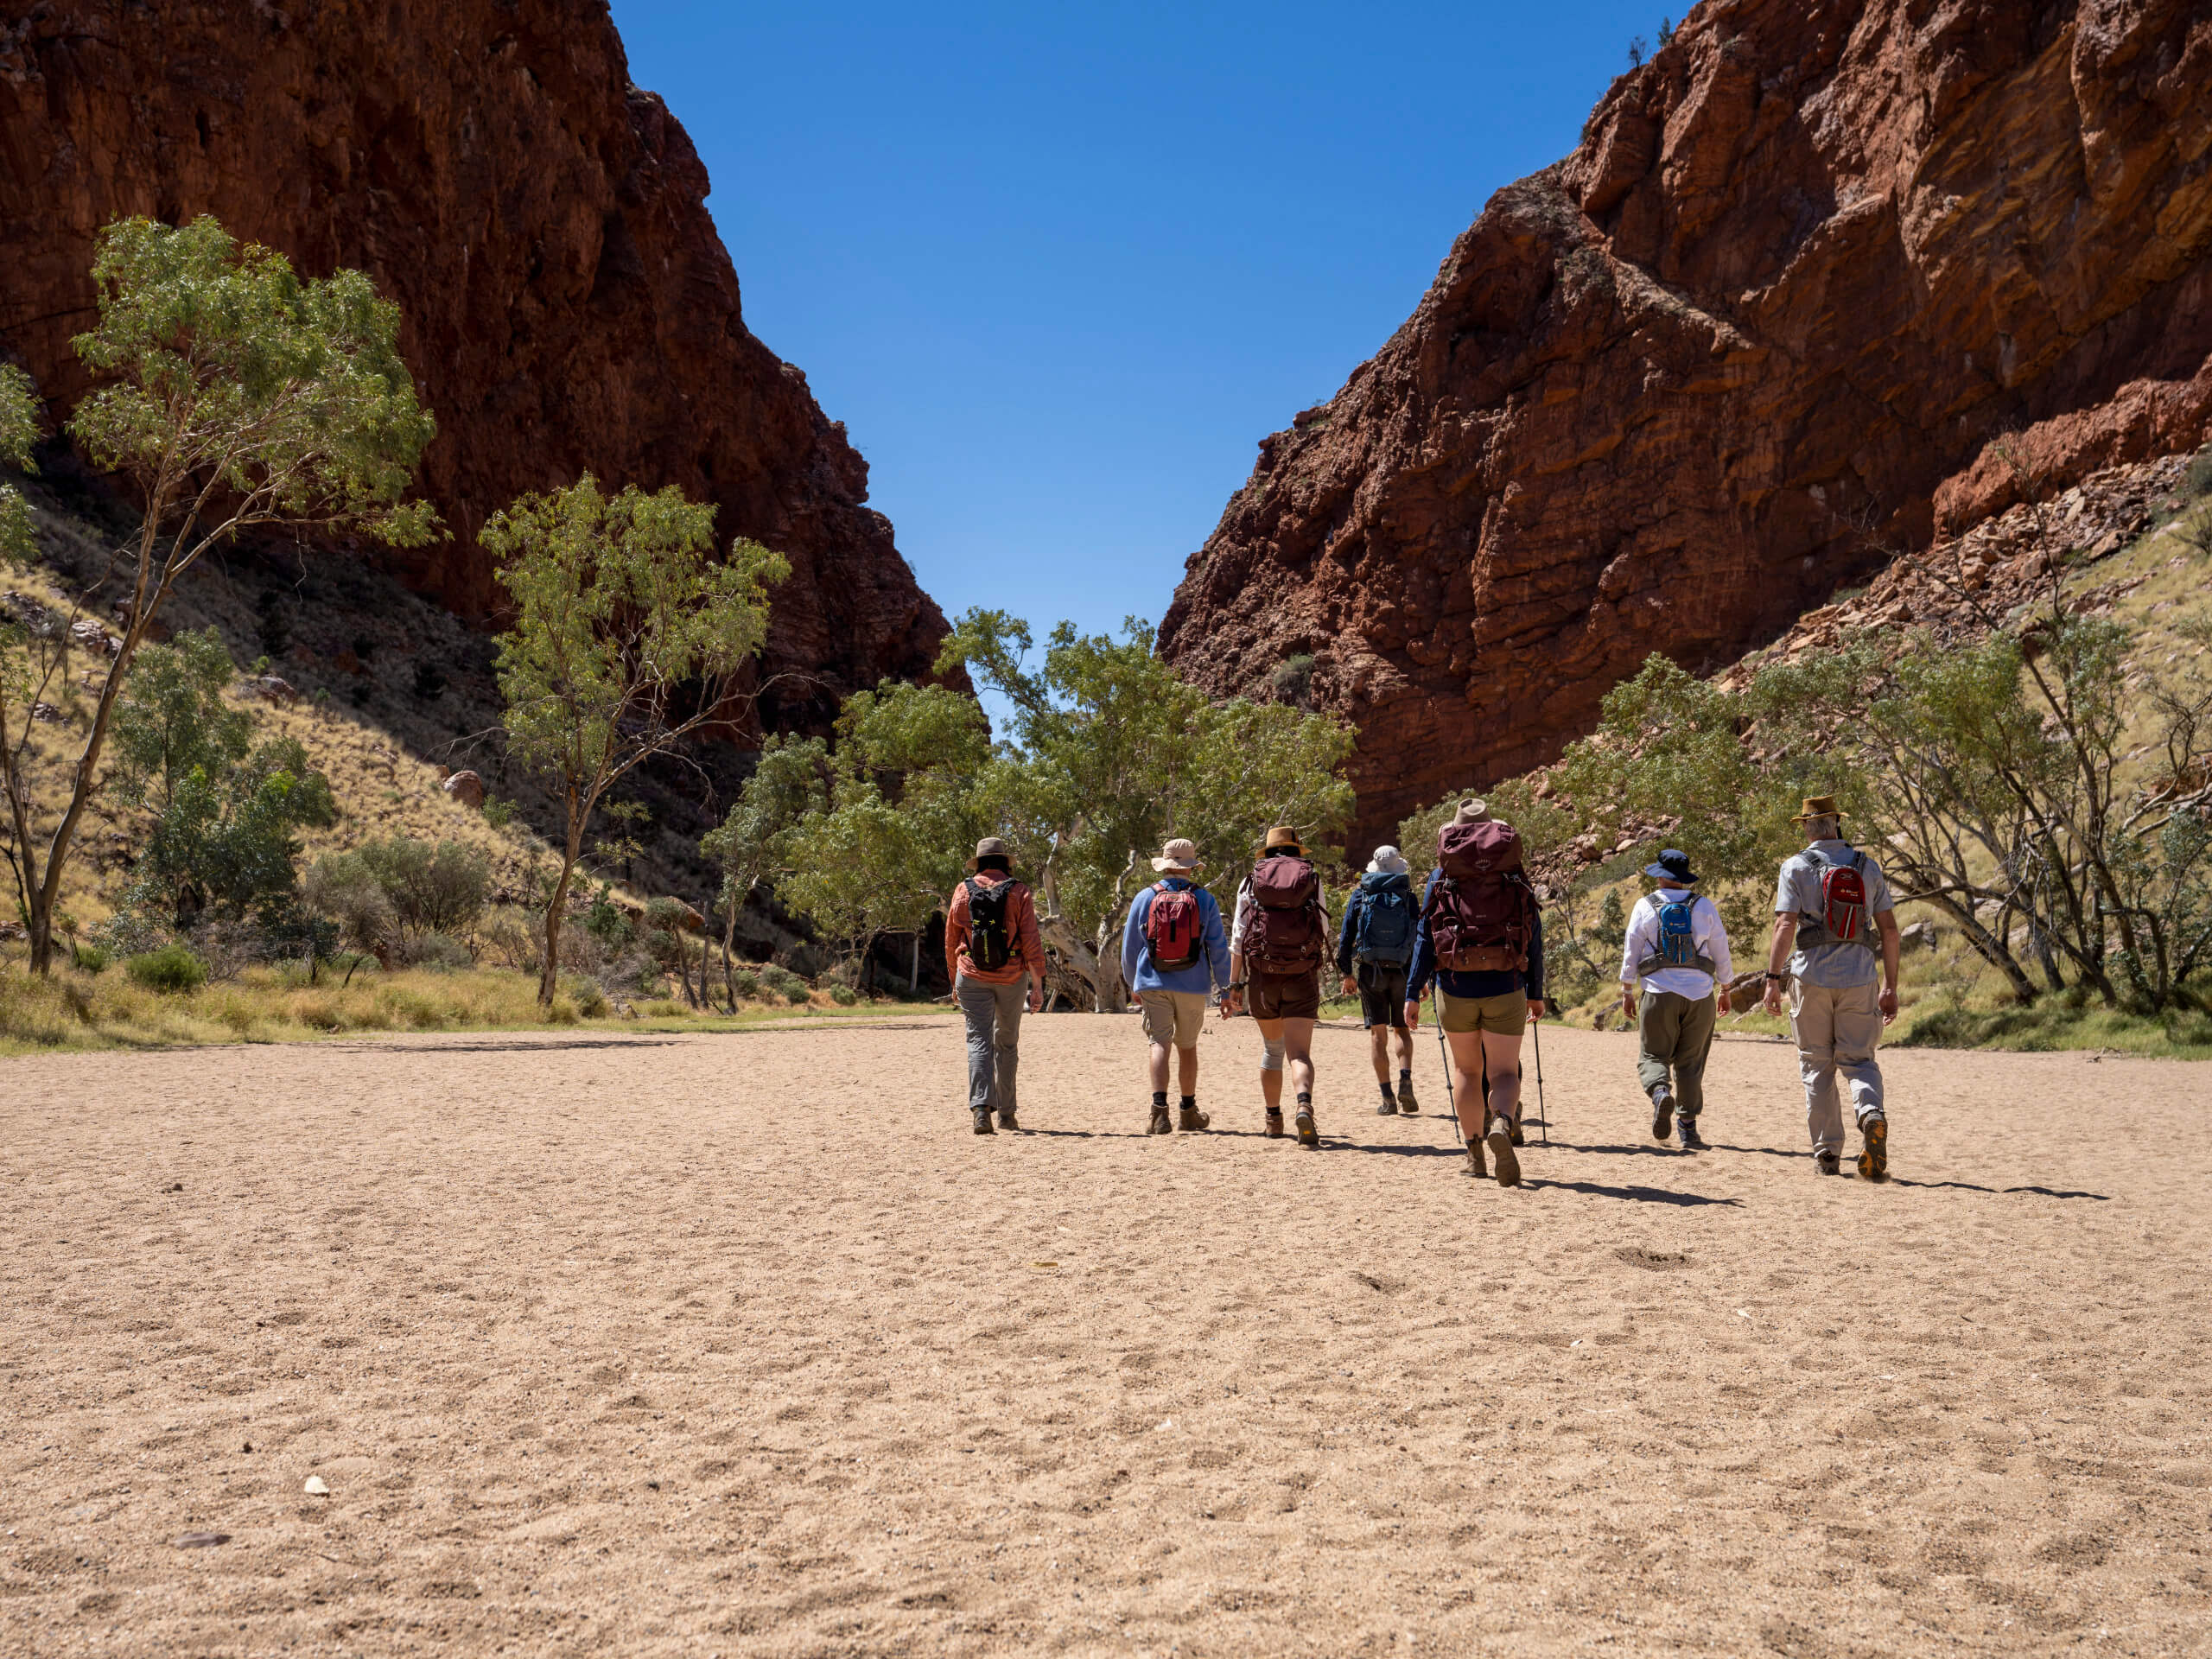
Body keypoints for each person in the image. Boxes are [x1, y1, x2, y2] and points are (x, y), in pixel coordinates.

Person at [1403, 798, 1545, 1187]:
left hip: (1456, 986)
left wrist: (1412, 992)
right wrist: (1536, 990)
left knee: (1468, 1071)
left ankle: (1474, 1153)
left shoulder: (1442, 875)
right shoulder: (1515, 875)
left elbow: (1424, 938)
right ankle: (1501, 1120)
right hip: (1506, 984)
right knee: (1502, 1071)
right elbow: (1533, 933)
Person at [1760, 796, 1903, 1179]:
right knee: (1859, 1061)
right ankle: (1870, 1113)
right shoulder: (1866, 866)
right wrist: (1889, 986)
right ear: (1837, 823)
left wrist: (1773, 980)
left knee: (1816, 1065)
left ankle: (1827, 1154)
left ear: (1807, 827)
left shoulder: (1794, 867)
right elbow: (1889, 930)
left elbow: (1785, 926)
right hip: (1860, 977)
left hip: (1811, 979)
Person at [1618, 847, 1734, 1151]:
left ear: (1659, 876)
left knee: (1653, 1055)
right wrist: (1726, 988)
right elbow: (1721, 949)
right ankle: (1688, 1129)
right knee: (1691, 1063)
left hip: (1658, 992)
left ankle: (1659, 1093)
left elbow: (1631, 950)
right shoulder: (1704, 906)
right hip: (1700, 995)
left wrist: (1627, 990)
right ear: (1683, 878)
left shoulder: (1645, 906)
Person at [1121, 837, 1234, 1135]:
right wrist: (1226, 989)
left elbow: (1130, 947)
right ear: (1191, 867)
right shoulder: (1205, 899)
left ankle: (1159, 1113)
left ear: (1165, 864)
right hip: (1193, 985)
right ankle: (1188, 1112)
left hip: (1152, 981)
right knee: (1187, 1046)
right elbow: (1218, 948)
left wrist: (1134, 982)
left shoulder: (1145, 897)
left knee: (1159, 1042)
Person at [1229, 825, 1331, 1147]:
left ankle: (1273, 1119)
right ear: (1297, 849)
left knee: (1272, 1050)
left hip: (1263, 977)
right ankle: (1303, 1103)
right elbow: (1323, 927)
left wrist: (1234, 985)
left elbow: (1238, 938)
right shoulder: (1311, 879)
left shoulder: (1250, 881)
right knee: (1299, 1052)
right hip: (1301, 974)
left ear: (1268, 852)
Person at [944, 836, 1046, 1135]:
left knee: (978, 1041)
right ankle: (1007, 1114)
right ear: (1004, 862)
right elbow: (1031, 941)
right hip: (1012, 976)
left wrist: (954, 980)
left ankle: (980, 1111)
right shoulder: (1019, 892)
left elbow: (951, 939)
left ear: (980, 862)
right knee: (1007, 1043)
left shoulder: (963, 890)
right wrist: (1037, 985)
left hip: (971, 974)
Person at [1337, 844, 1419, 1116]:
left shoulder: (1362, 893)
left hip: (1371, 971)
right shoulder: (1408, 895)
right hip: (1404, 970)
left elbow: (1346, 936)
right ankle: (1405, 1080)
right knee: (1402, 1029)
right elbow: (1419, 939)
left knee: (1378, 1034)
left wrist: (1347, 973)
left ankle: (1387, 1099)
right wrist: (1421, 978)